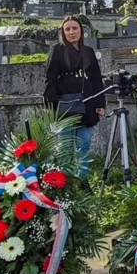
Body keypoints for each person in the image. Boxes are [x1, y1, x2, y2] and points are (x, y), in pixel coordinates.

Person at [44, 15, 106, 178]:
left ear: (81, 30)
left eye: (75, 28)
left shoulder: (89, 52)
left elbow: (97, 79)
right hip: (65, 105)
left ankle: (82, 180)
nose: (72, 32)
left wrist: (101, 103)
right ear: (63, 32)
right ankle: (64, 183)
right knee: (64, 147)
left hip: (88, 103)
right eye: (68, 29)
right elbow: (50, 80)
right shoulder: (57, 50)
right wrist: (50, 106)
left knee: (83, 145)